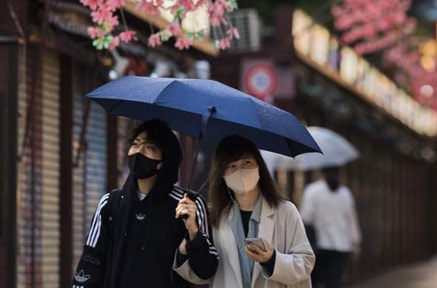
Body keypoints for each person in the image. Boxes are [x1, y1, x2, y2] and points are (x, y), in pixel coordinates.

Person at [72, 119, 218, 288]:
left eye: (149, 147)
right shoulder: (110, 204)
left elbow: (207, 271)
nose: (139, 151)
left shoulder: (189, 205)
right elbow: (90, 263)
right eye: (136, 144)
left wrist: (193, 232)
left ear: (163, 162)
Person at [177, 134, 314, 287]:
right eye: (231, 166)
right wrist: (191, 238)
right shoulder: (214, 216)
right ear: (221, 174)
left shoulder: (285, 211)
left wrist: (272, 260)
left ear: (259, 166)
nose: (240, 170)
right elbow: (202, 274)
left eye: (247, 162)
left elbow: (305, 263)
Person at [301, 166, 362, 288]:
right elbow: (351, 221)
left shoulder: (312, 190)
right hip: (341, 247)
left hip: (319, 246)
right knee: (335, 280)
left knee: (315, 281)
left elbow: (306, 217)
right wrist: (355, 245)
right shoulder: (346, 193)